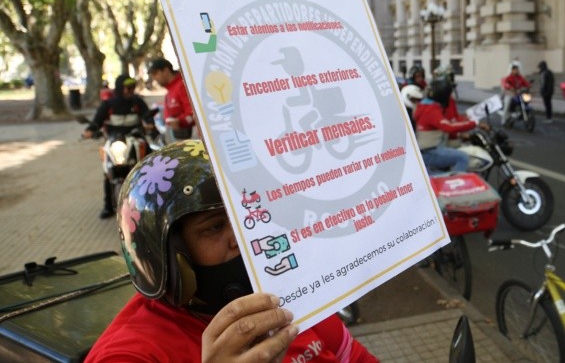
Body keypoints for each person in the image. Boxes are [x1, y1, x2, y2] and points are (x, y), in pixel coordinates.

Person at [85, 141, 378, 362]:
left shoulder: (291, 294)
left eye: (245, 217)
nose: (242, 237)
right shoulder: (129, 355)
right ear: (165, 257)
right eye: (213, 227)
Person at [82, 75, 154, 219]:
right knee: (107, 171)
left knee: (149, 166)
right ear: (120, 88)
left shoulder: (137, 102)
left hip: (135, 138)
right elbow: (97, 120)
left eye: (132, 87)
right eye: (128, 88)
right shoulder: (108, 104)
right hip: (115, 140)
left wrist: (149, 123)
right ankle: (108, 206)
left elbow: (147, 116)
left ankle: (151, 202)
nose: (130, 91)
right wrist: (90, 130)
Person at [414, 77, 480, 172]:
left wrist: (465, 120)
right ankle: (456, 183)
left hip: (428, 149)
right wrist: (473, 123)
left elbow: (449, 120)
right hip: (430, 151)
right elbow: (449, 127)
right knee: (463, 158)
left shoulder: (424, 106)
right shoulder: (431, 109)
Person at [147, 58, 195, 141]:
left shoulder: (182, 85)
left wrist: (179, 120)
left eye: (155, 73)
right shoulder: (170, 90)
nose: (154, 78)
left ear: (166, 70)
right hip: (178, 138)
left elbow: (193, 112)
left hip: (190, 138)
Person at [501, 59, 531, 126]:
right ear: (512, 70)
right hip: (511, 93)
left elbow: (525, 83)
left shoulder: (520, 77)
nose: (516, 71)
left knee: (526, 99)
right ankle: (504, 119)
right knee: (507, 102)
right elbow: (505, 84)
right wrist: (510, 87)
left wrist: (529, 85)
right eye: (515, 69)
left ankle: (521, 112)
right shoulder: (509, 77)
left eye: (517, 69)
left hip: (519, 93)